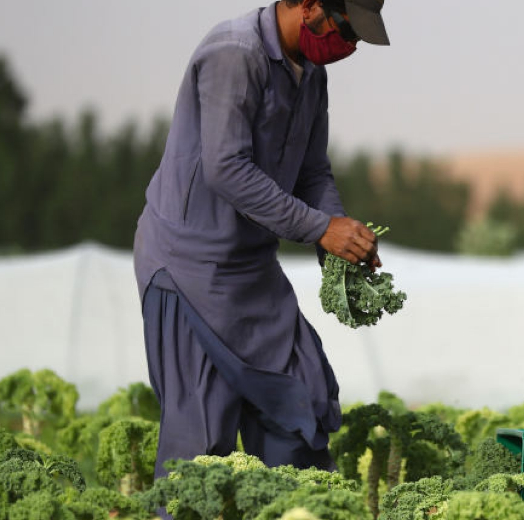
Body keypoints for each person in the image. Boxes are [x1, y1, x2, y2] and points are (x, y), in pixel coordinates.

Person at [132, 0, 389, 479]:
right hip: (188, 266)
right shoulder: (234, 52)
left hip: (251, 269)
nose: (349, 46)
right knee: (202, 443)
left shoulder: (311, 73)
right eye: (345, 29)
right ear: (310, 6)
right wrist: (318, 228)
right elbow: (226, 169)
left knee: (302, 407)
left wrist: (338, 236)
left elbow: (312, 171)